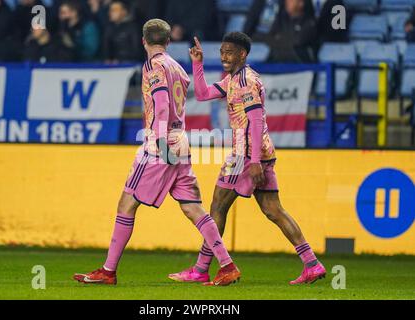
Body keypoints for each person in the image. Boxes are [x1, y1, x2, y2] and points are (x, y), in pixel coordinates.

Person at [73, 19, 241, 286]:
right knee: (193, 208)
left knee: (127, 204)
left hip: (159, 143)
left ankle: (108, 271)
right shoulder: (177, 67)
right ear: (168, 41)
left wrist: (161, 143)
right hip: (181, 140)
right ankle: (227, 265)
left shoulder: (154, 66)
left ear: (143, 41)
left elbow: (162, 105)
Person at [168, 32, 326, 285]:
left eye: (229, 52)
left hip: (245, 154)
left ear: (243, 54)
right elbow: (203, 94)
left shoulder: (245, 82)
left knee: (217, 207)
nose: (224, 56)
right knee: (273, 210)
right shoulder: (233, 79)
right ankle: (312, 264)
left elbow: (254, 121)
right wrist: (198, 63)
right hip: (260, 152)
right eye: (221, 51)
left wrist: (252, 161)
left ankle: (201, 269)